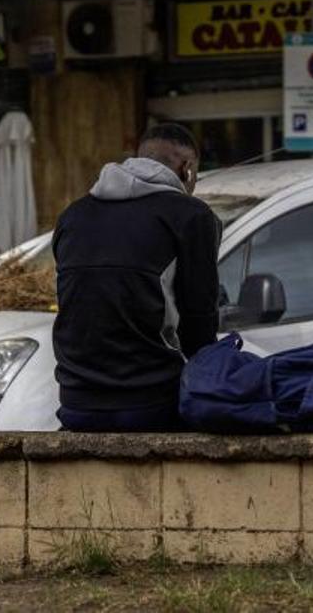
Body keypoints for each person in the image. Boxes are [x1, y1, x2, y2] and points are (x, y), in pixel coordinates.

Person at [52, 123, 221, 431]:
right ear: (187, 169)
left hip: (76, 403)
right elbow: (200, 321)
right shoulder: (191, 216)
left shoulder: (72, 216)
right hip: (152, 402)